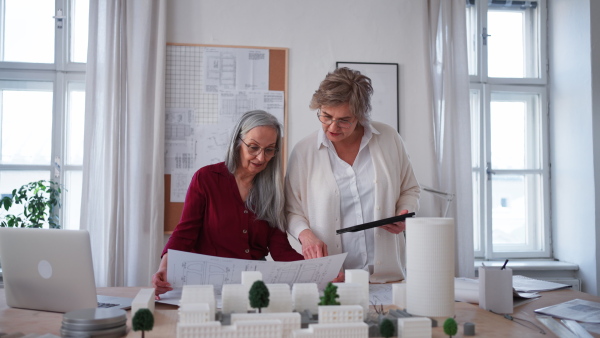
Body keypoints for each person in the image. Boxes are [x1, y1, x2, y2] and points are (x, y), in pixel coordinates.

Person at [285, 67, 420, 283]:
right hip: (332, 276)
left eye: (344, 120)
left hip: (385, 276)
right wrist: (306, 236)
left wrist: (405, 213)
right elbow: (291, 209)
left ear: (360, 115)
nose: (332, 127)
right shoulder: (304, 151)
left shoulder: (389, 138)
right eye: (326, 116)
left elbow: (410, 189)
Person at [153, 110, 304, 297]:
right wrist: (165, 266)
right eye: (253, 147)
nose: (261, 157)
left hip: (253, 285)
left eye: (269, 149)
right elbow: (185, 232)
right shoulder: (206, 179)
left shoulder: (273, 190)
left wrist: (319, 272)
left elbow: (281, 249)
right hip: (209, 284)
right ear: (237, 143)